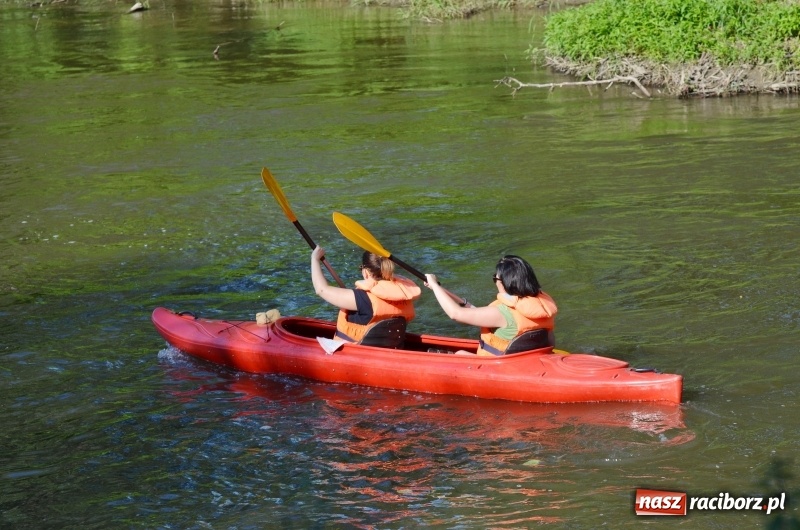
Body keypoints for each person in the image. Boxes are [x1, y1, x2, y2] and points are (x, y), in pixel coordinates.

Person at [425, 255, 557, 356]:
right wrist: (439, 290)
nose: (495, 282)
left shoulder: (502, 313)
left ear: (506, 282)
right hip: (527, 362)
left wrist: (435, 285)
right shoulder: (542, 308)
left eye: (496, 278)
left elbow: (455, 314)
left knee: (459, 354)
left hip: (499, 367)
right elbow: (551, 343)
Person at [311, 245, 422, 343]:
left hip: (355, 353)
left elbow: (321, 290)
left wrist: (315, 259)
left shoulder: (361, 299)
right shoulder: (404, 296)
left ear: (365, 272)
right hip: (390, 349)